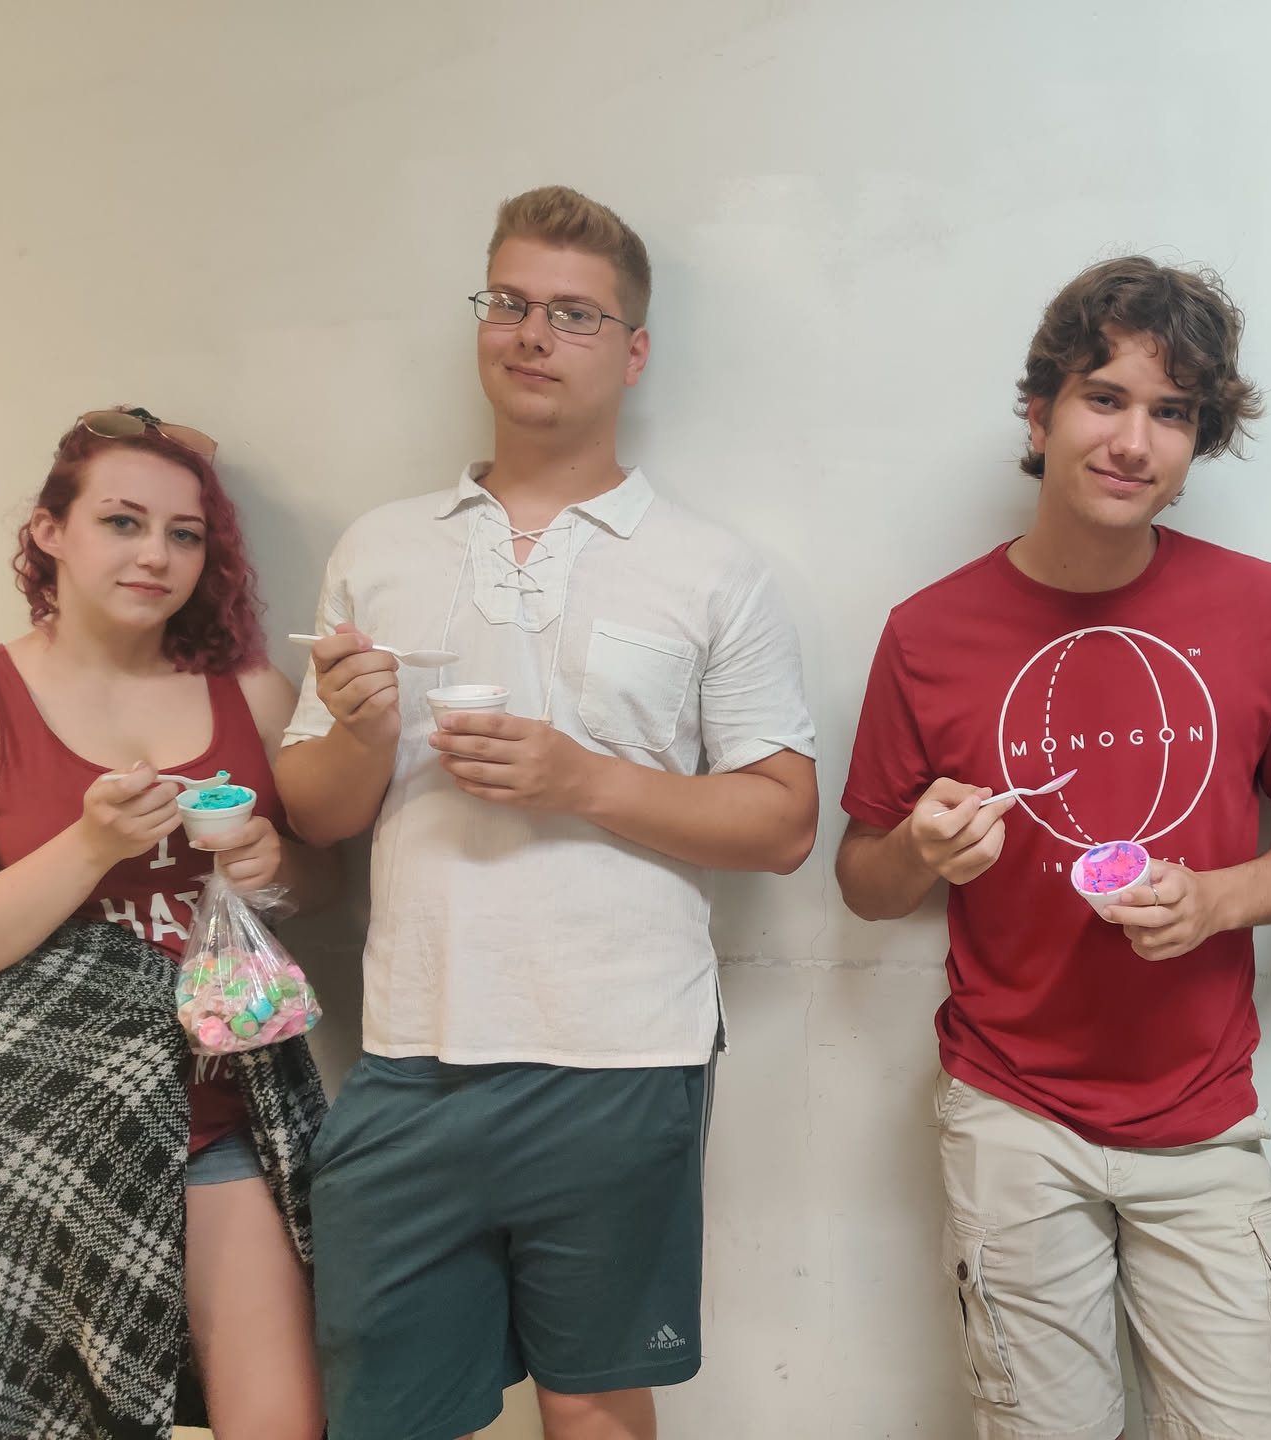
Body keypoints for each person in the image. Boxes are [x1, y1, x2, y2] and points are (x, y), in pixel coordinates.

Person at [275, 186, 818, 1440]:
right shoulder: (380, 547)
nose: (532, 334)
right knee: (388, 1413)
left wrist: (583, 781)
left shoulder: (712, 567)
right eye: (510, 302)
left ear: (633, 351)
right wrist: (361, 735)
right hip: (411, 1051)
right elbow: (316, 809)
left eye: (574, 314)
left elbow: (784, 822)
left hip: (622, 1053)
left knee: (593, 1402)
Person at [836, 256, 1271, 1440]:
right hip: (1009, 1111)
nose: (1133, 441)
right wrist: (922, 851)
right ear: (1040, 414)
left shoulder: (1260, 607)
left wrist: (1217, 900)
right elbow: (864, 882)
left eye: (1171, 413)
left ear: (1198, 442)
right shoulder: (927, 632)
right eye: (1104, 397)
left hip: (1206, 1114)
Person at [0, 407, 333, 1440]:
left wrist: (275, 869)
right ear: (49, 531)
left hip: (222, 1112)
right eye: (122, 521)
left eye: (184, 533)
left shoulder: (249, 688)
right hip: (37, 1125)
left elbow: (323, 883)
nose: (156, 555)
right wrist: (89, 845)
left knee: (284, 1419)